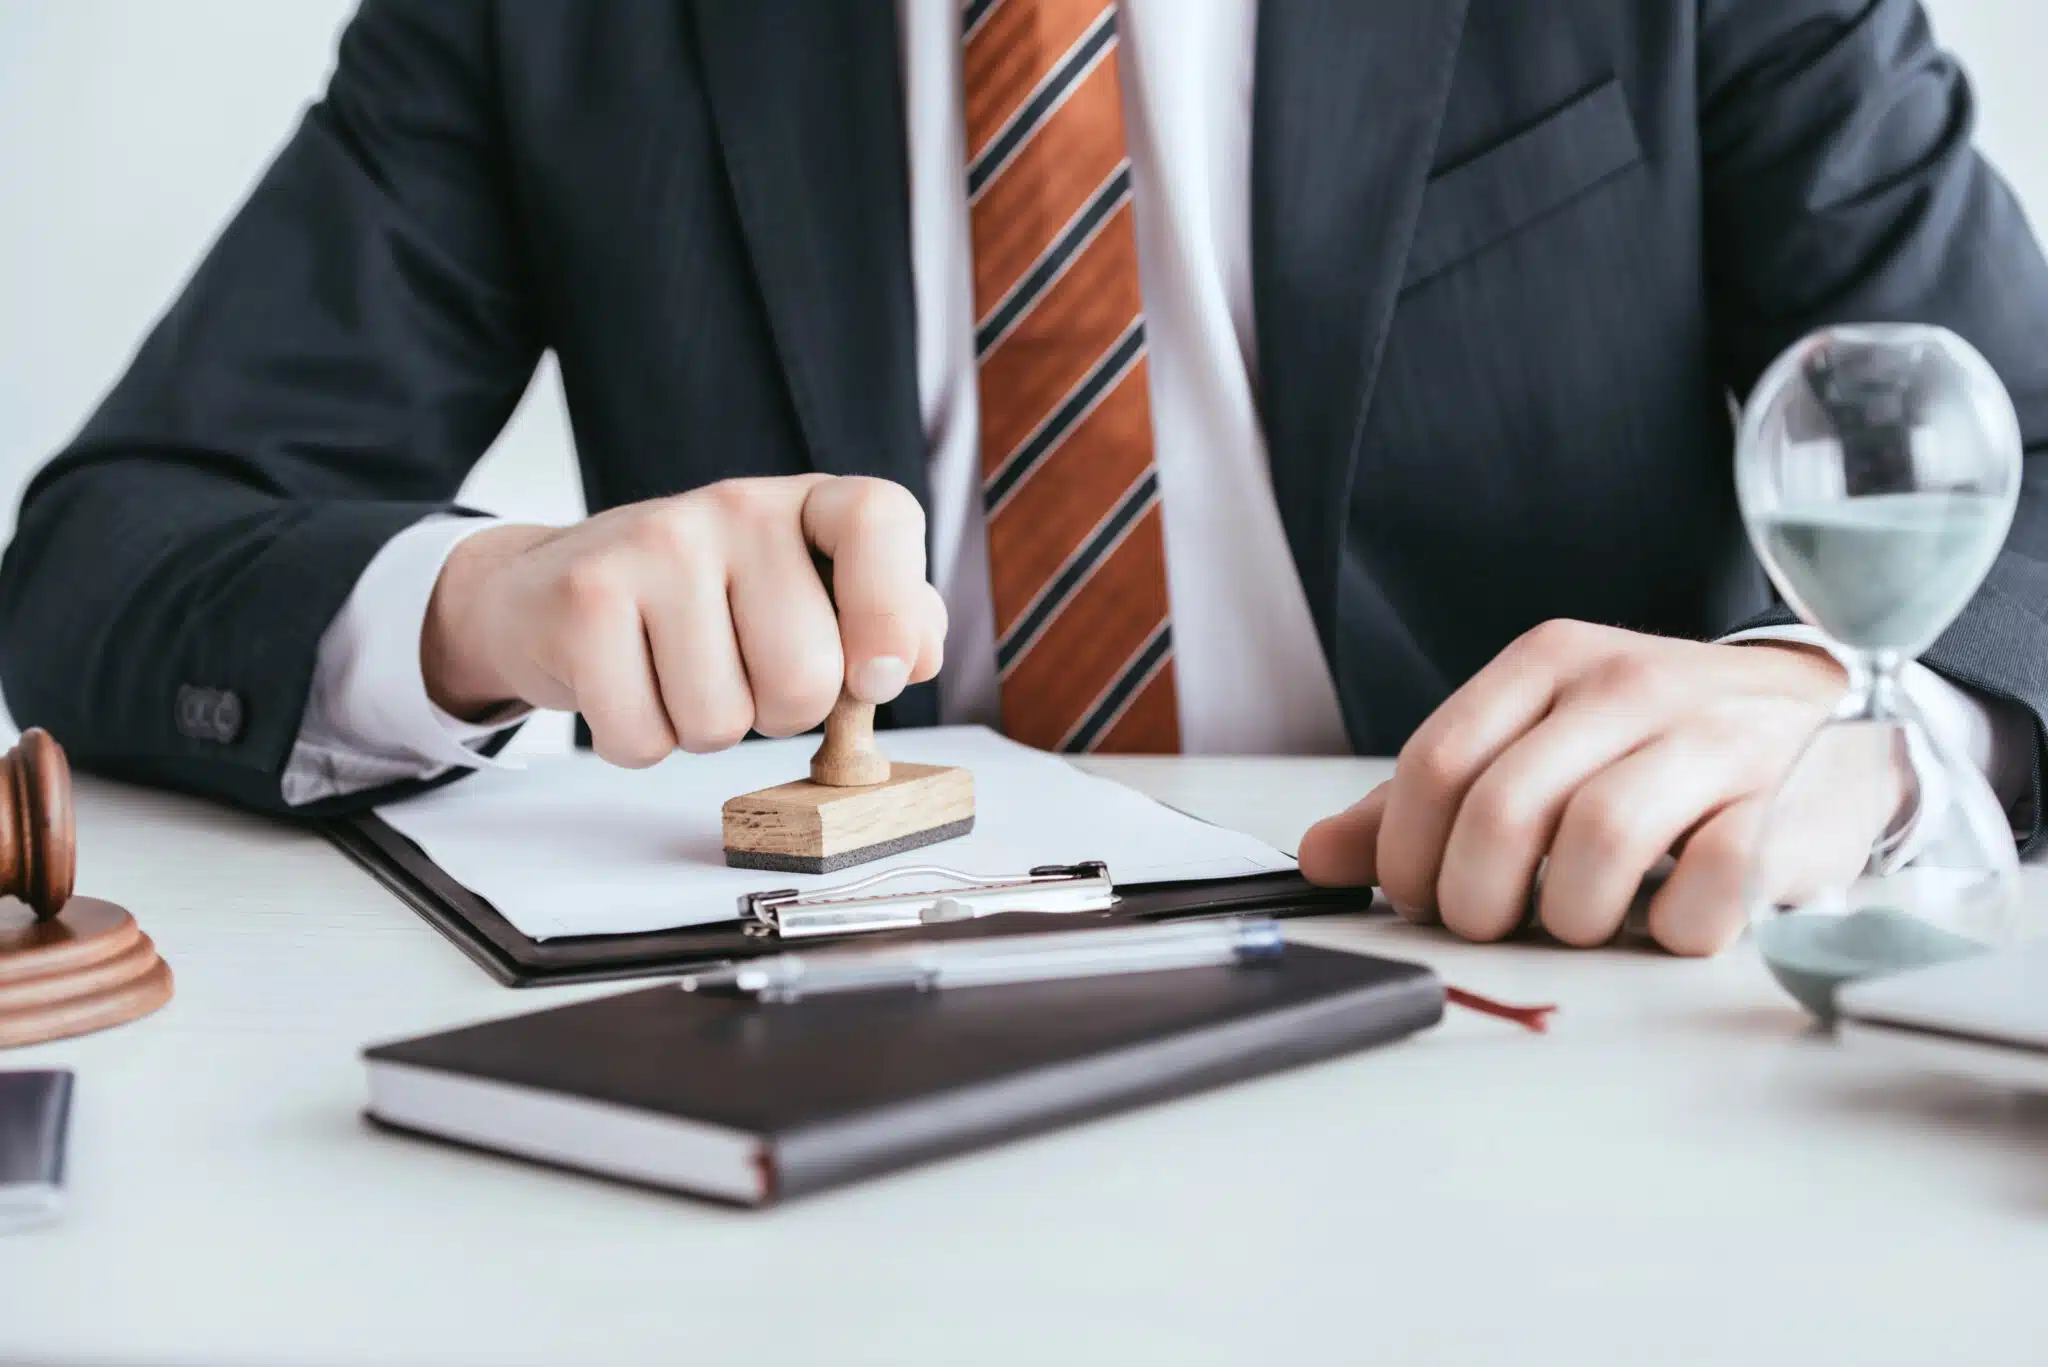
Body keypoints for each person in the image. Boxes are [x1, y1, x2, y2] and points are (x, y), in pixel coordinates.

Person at [4, 0, 2045, 958]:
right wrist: (476, 606)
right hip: (817, 1081)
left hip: (1539, 1000)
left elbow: (2023, 458)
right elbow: (113, 547)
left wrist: (1843, 710)